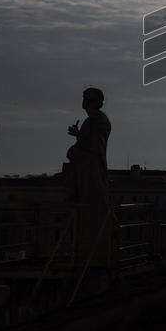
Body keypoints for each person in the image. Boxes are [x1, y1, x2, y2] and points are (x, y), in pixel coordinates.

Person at [66, 87, 113, 265]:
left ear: (88, 101)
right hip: (92, 167)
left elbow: (90, 145)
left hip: (90, 168)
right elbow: (89, 141)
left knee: (90, 201)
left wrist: (76, 146)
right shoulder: (97, 121)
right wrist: (79, 135)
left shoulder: (94, 121)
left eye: (85, 98)